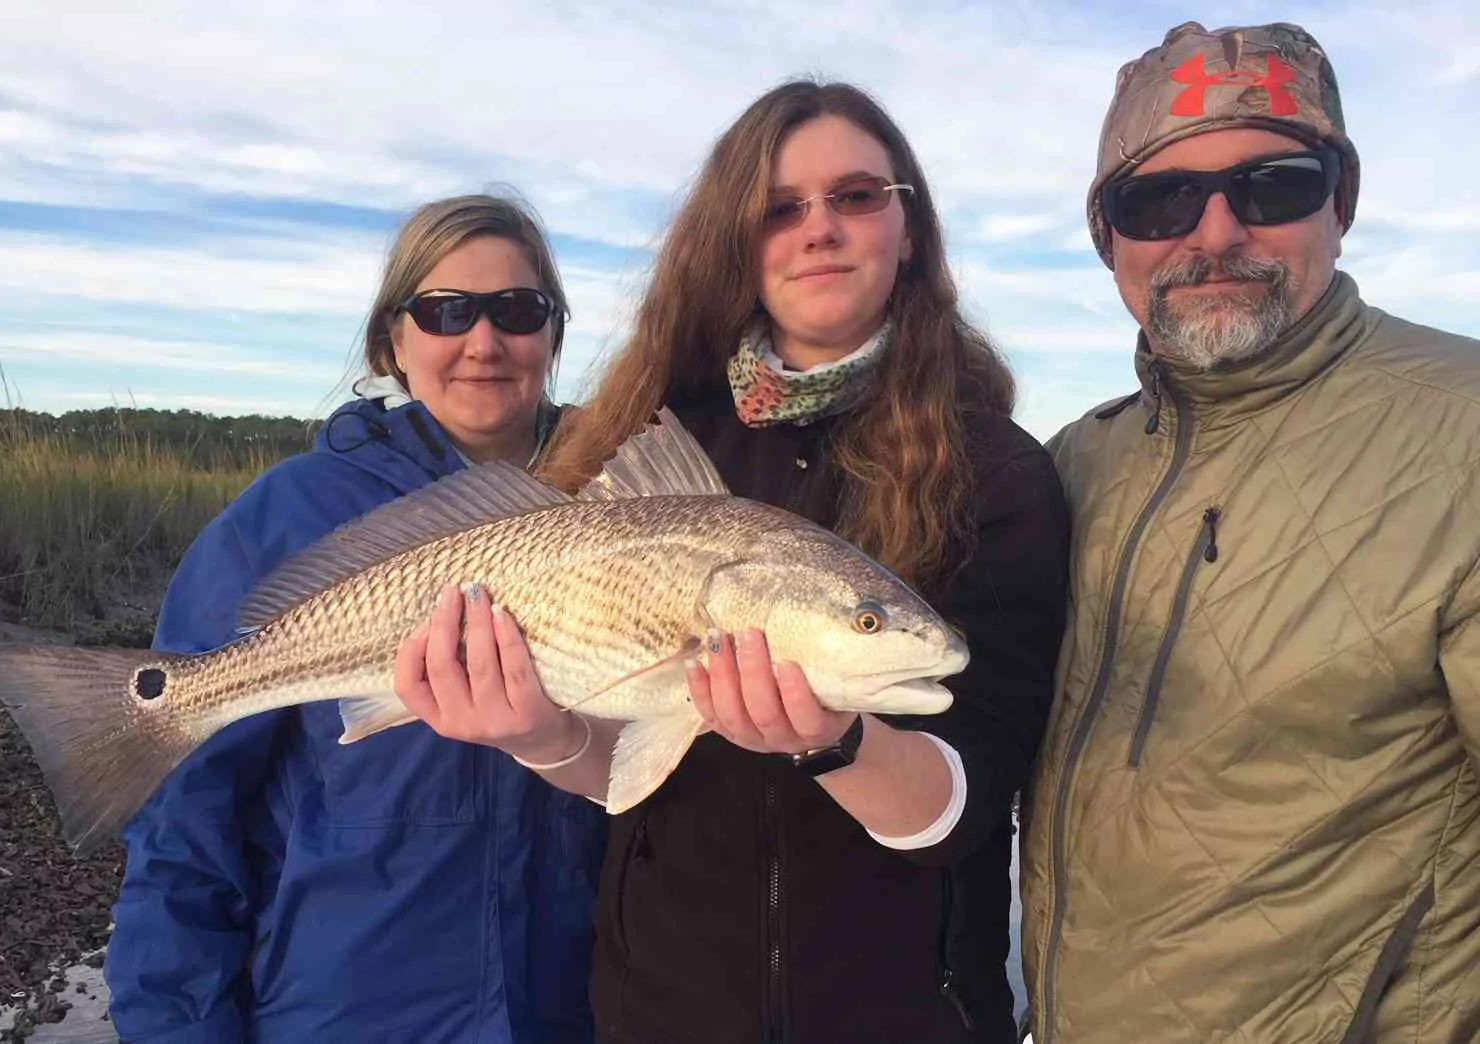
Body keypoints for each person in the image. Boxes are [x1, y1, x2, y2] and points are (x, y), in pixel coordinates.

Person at [395, 80, 1070, 1043]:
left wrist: (837, 741)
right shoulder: (649, 436)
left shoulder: (995, 471)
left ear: (909, 229)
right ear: (736, 243)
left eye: (856, 196)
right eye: (779, 208)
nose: (819, 229)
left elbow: (971, 800)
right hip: (662, 1013)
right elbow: (623, 774)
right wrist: (538, 736)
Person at [1020, 21, 1480, 1044]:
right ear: (1109, 241)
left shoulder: (1463, 434)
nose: (1217, 232)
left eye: (1273, 187)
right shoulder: (1070, 465)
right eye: (1159, 201)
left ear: (1340, 205)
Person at [103, 194, 608, 1043]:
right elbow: (184, 825)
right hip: (341, 1013)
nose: (484, 341)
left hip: (579, 1013)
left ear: (554, 334)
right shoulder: (288, 515)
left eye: (518, 311)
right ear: (392, 341)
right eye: (446, 312)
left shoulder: (621, 503)